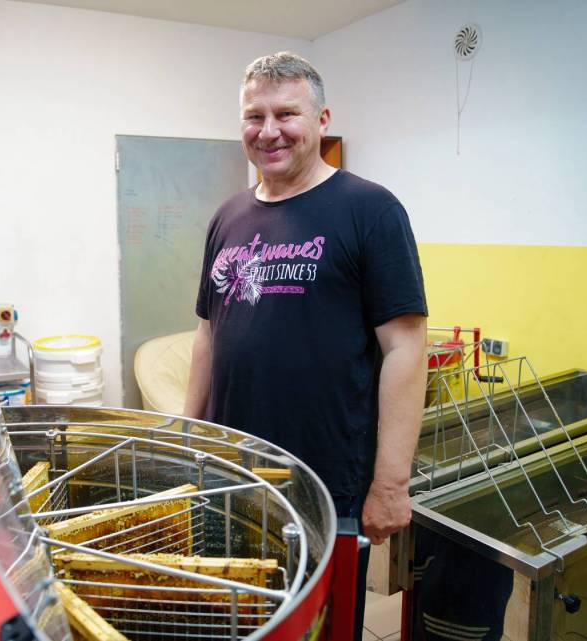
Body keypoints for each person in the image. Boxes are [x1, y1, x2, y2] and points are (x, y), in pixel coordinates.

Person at [183, 52, 428, 638]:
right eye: (254, 116)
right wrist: (186, 438)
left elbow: (406, 348)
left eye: (286, 114)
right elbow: (209, 332)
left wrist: (391, 485)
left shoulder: (370, 209)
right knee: (233, 619)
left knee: (320, 627)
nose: (268, 131)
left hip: (324, 484)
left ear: (322, 120)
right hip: (231, 475)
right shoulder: (228, 217)